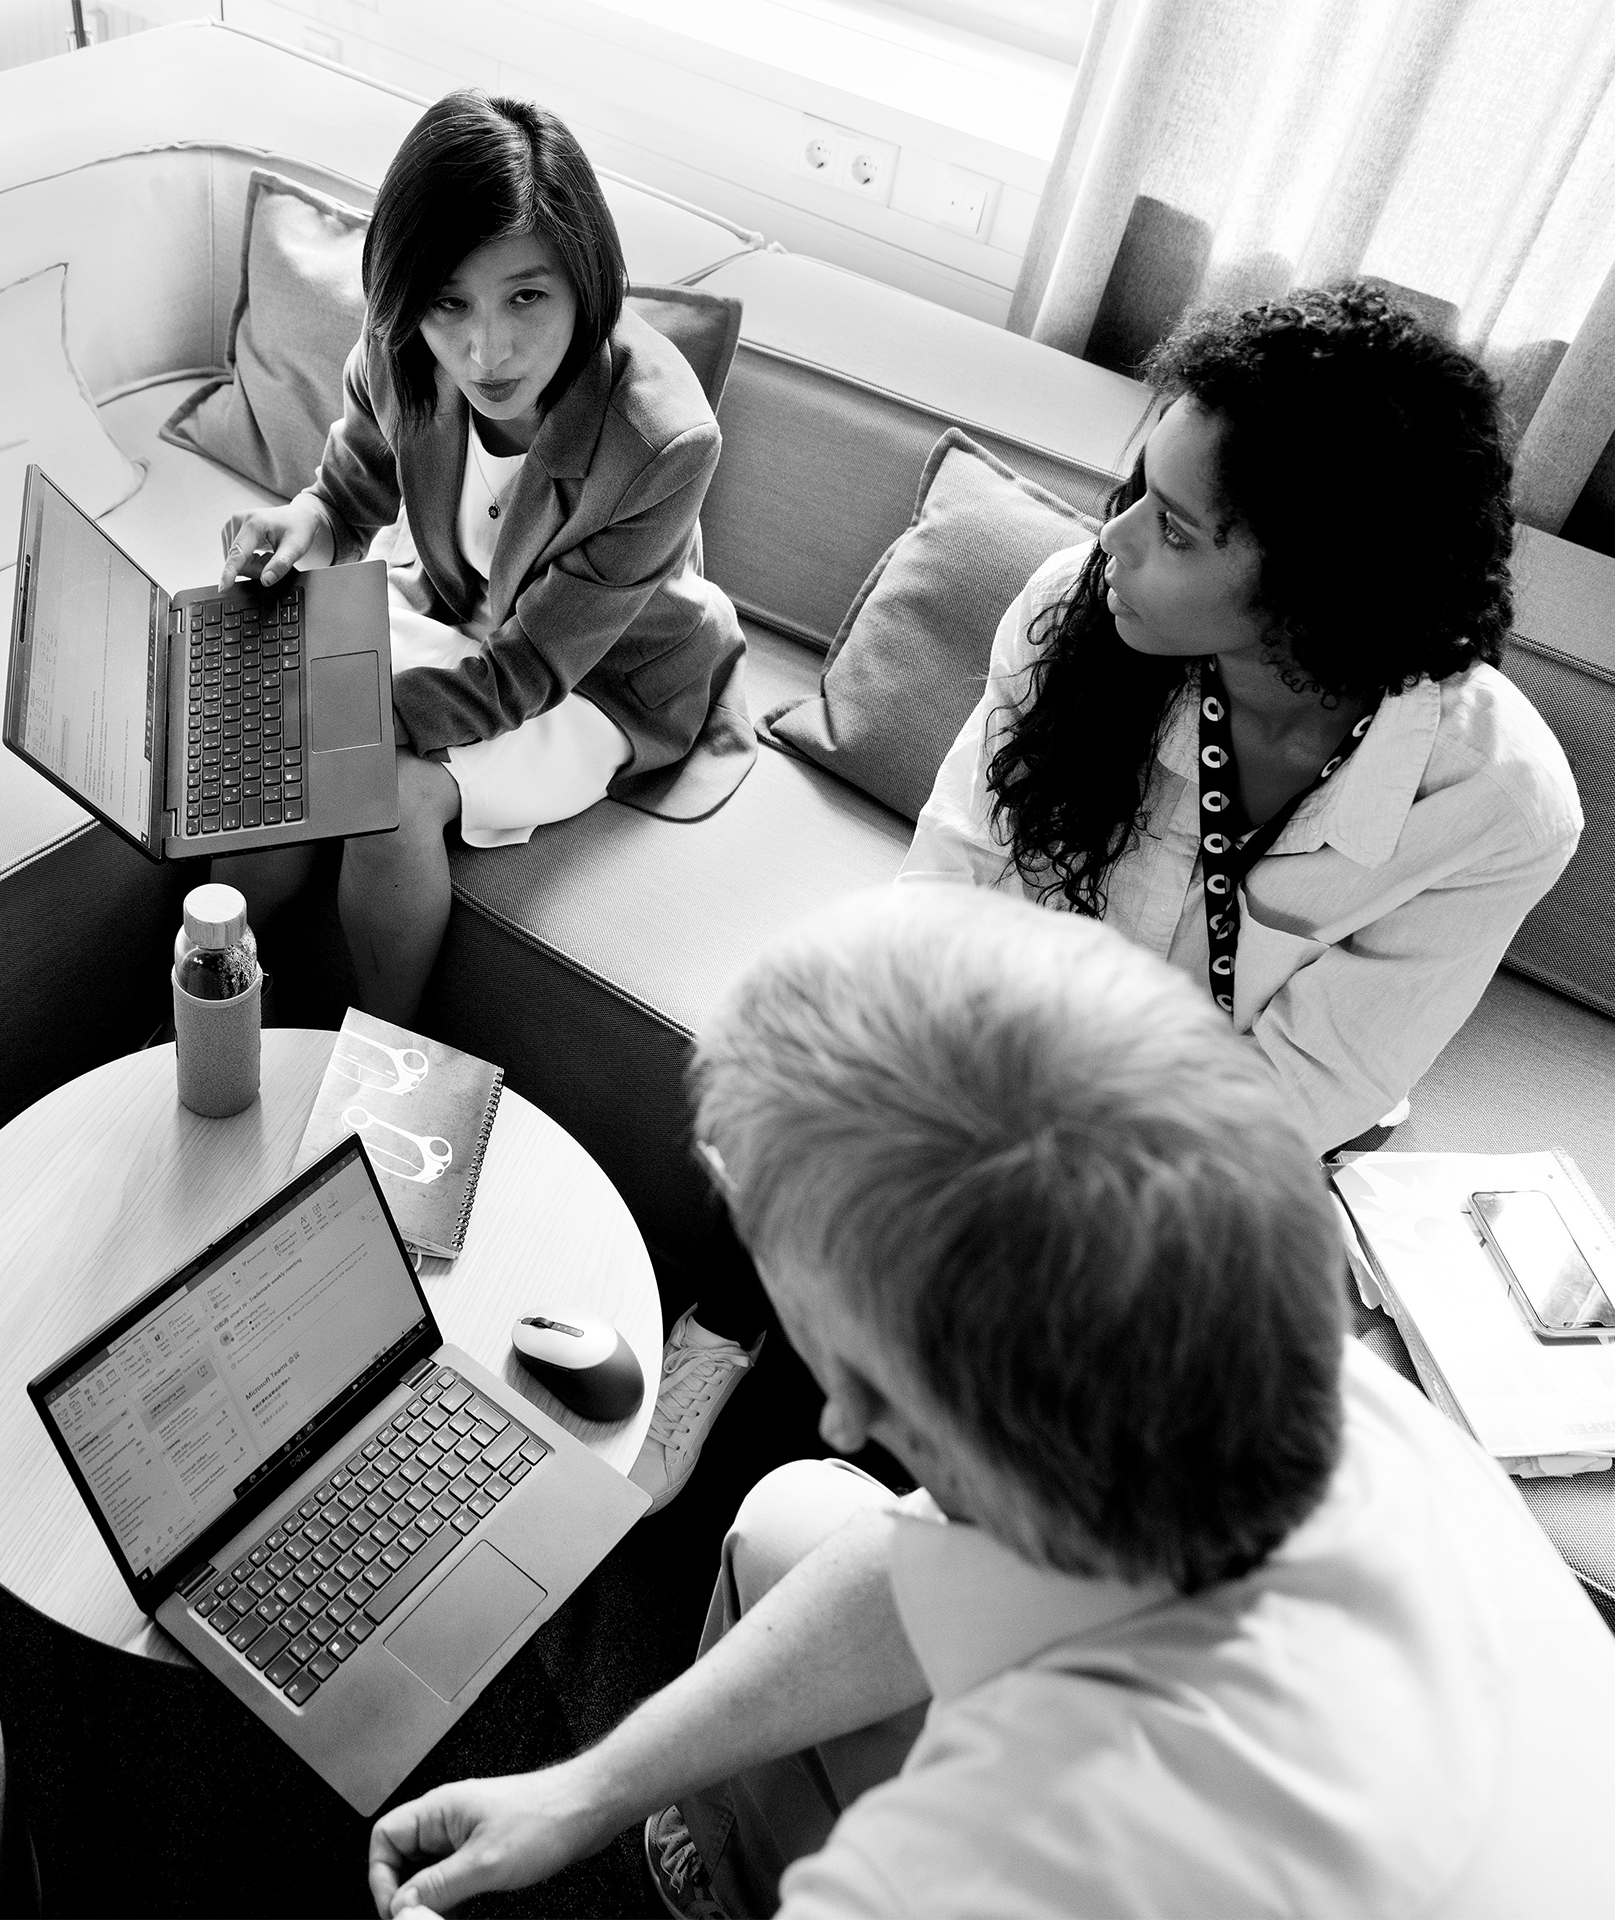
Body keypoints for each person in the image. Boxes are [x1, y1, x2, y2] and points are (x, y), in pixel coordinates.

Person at [361, 886, 1615, 1919]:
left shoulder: (996, 1865)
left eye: (844, 1370)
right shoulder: (1284, 1379)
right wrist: (587, 1790)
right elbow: (925, 1561)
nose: (843, 1422)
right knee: (801, 1517)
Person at [902, 283, 1582, 1157]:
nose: (1115, 540)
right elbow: (956, 871)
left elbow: (1299, 1091)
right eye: (1142, 488)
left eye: (1177, 533)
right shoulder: (1075, 615)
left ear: (1319, 588)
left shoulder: (1491, 806)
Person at [218, 89, 751, 1028]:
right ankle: (215, 999)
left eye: (527, 297)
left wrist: (368, 717)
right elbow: (352, 494)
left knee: (384, 788)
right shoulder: (400, 347)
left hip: (601, 676)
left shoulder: (663, 440)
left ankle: (377, 1058)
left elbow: (536, 663)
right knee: (267, 686)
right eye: (448, 302)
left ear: (589, 281)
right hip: (453, 610)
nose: (484, 347)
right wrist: (307, 519)